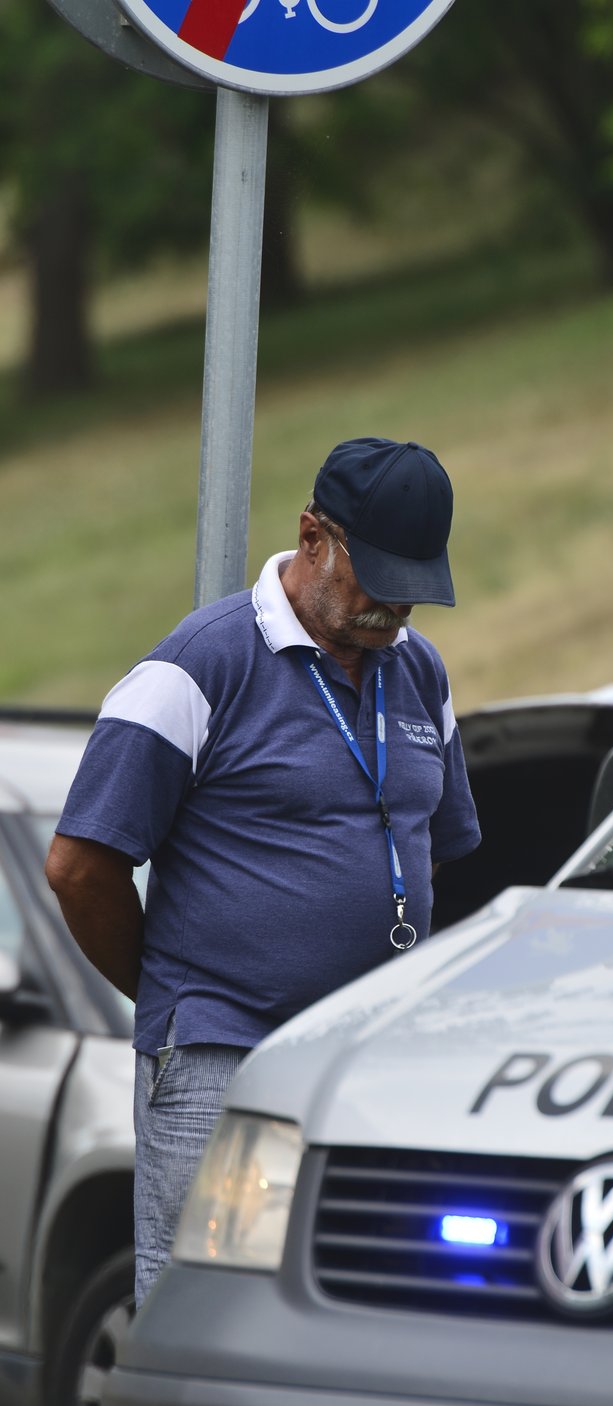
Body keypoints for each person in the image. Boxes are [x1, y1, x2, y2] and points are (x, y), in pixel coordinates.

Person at [45, 436, 481, 1305]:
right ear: (313, 537)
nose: (394, 605)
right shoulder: (198, 666)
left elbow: (451, 846)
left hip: (372, 1063)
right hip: (224, 1055)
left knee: (366, 1306)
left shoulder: (420, 671)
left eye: (414, 585)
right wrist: (175, 991)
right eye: (377, 577)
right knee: (208, 1310)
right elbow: (78, 866)